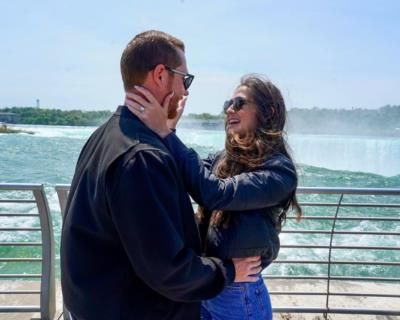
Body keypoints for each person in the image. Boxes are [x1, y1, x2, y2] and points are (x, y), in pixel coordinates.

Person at [60, 30, 262, 320]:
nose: (185, 92)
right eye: (185, 79)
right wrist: (230, 270)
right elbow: (169, 270)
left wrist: (166, 132)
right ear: (159, 75)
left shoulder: (106, 135)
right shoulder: (142, 157)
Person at [125, 74, 302, 320]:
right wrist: (169, 127)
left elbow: (216, 193)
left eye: (239, 103)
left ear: (268, 112)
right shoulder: (223, 159)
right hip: (212, 281)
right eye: (227, 104)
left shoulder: (279, 171)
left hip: (240, 293)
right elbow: (182, 172)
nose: (230, 109)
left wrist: (165, 132)